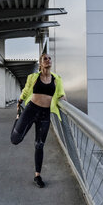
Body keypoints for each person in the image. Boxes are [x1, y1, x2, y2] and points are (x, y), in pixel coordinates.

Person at [10, 53, 66, 188]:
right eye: (45, 59)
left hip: (45, 114)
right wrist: (20, 101)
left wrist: (65, 103)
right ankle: (17, 119)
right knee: (15, 140)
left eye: (49, 58)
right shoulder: (33, 77)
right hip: (31, 110)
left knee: (39, 145)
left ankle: (37, 176)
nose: (48, 60)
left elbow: (61, 94)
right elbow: (26, 90)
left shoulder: (57, 79)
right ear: (41, 64)